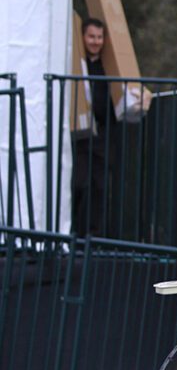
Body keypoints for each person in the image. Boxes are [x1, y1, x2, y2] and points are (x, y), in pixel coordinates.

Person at [71, 17, 115, 236]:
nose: (96, 41)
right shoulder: (77, 65)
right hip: (79, 135)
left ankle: (94, 237)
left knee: (99, 185)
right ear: (83, 38)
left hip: (102, 134)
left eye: (99, 37)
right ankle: (76, 233)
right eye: (91, 36)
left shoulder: (108, 68)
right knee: (80, 184)